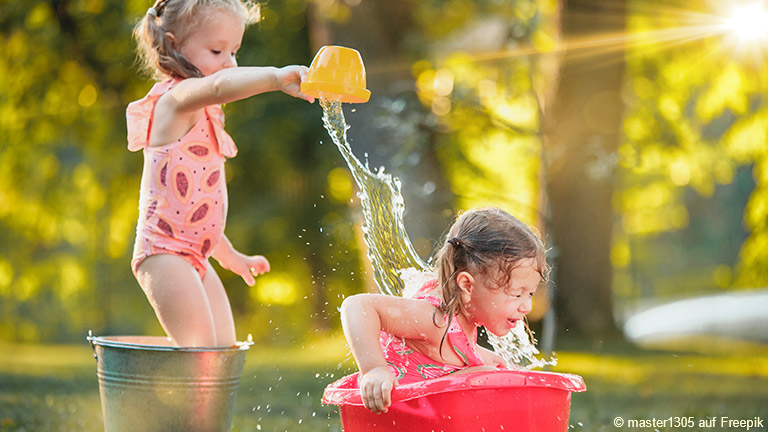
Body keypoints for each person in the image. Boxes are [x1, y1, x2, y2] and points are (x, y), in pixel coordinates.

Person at [127, 0, 314, 347]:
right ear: (174, 45)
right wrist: (274, 77)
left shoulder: (206, 112)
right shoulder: (175, 100)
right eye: (217, 51)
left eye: (234, 52)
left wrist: (229, 255)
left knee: (223, 350)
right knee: (201, 353)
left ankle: (206, 403)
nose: (229, 63)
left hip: (196, 252)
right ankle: (178, 400)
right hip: (164, 252)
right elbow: (218, 85)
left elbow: (197, 206)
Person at [340, 207, 548, 413]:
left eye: (530, 293)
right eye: (516, 294)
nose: (526, 306)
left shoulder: (460, 317)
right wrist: (374, 369)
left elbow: (443, 353)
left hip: (426, 419)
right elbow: (359, 306)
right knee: (486, 376)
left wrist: (478, 355)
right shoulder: (434, 319)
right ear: (467, 285)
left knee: (489, 372)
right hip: (396, 420)